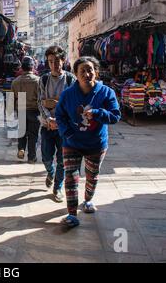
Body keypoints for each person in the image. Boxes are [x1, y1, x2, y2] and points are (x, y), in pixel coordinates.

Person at [55, 56, 121, 228]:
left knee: (92, 176)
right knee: (70, 177)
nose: (86, 73)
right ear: (76, 75)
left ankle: (88, 200)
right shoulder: (68, 94)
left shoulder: (106, 92)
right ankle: (71, 214)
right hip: (72, 143)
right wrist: (67, 133)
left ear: (96, 72)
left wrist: (98, 113)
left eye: (90, 69)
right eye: (82, 70)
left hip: (96, 144)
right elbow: (60, 115)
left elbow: (115, 116)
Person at [38, 46, 76, 202]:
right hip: (47, 125)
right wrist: (49, 119)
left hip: (64, 126)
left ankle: (57, 188)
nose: (54, 64)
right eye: (50, 61)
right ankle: (50, 172)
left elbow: (72, 104)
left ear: (63, 60)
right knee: (46, 157)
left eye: (57, 61)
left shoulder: (70, 79)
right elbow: (41, 103)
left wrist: (54, 104)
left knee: (62, 160)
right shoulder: (44, 79)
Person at [11, 56, 40, 163]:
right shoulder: (38, 81)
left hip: (21, 110)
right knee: (33, 135)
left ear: (22, 68)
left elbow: (12, 99)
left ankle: (21, 149)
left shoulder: (15, 82)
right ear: (32, 67)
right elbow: (41, 98)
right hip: (34, 111)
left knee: (22, 132)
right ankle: (31, 157)